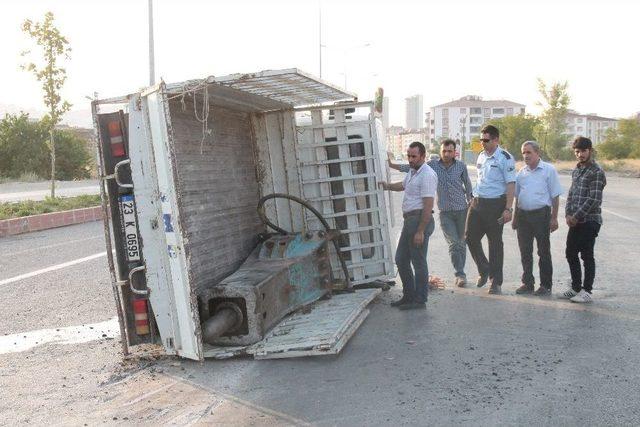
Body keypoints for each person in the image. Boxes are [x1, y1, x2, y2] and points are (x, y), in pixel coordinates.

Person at [389, 139, 473, 287]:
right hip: (445, 211)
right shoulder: (432, 166)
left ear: (455, 152)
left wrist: (470, 200)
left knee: (461, 243)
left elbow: (467, 184)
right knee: (454, 243)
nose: (447, 154)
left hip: (461, 209)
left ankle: (461, 272)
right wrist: (391, 165)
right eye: (444, 151)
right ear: (440, 151)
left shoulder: (461, 166)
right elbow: (410, 167)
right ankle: (459, 274)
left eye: (450, 151)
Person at [379, 141, 437, 310]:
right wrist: (387, 186)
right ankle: (409, 295)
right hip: (410, 221)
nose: (410, 159)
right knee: (401, 259)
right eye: (409, 156)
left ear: (423, 156)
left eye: (414, 156)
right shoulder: (413, 172)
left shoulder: (427, 174)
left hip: (419, 221)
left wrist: (420, 231)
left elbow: (428, 205)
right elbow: (403, 186)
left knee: (418, 262)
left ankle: (420, 300)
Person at [465, 125, 516, 294]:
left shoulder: (505, 158)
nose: (483, 143)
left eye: (486, 140)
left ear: (496, 140)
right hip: (478, 202)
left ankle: (496, 281)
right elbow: (480, 179)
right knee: (470, 237)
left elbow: (510, 184)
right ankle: (484, 268)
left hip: (495, 204)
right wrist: (473, 198)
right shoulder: (481, 156)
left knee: (494, 242)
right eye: (481, 140)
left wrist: (508, 209)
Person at [512, 141, 563, 296]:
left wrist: (554, 218)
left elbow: (555, 196)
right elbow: (517, 197)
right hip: (523, 217)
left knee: (543, 251)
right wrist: (515, 218)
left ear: (537, 153)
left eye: (529, 152)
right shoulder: (521, 173)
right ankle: (527, 283)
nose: (526, 156)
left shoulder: (548, 170)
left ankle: (546, 285)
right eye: (523, 153)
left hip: (541, 215)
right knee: (525, 251)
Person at [560, 136, 606, 303]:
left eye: (583, 151)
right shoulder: (577, 170)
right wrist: (567, 214)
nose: (580, 154)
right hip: (575, 220)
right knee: (570, 252)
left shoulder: (597, 172)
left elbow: (594, 199)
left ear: (590, 151)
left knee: (587, 255)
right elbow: (571, 194)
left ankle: (587, 291)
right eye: (577, 151)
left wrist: (576, 216)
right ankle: (575, 287)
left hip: (590, 220)